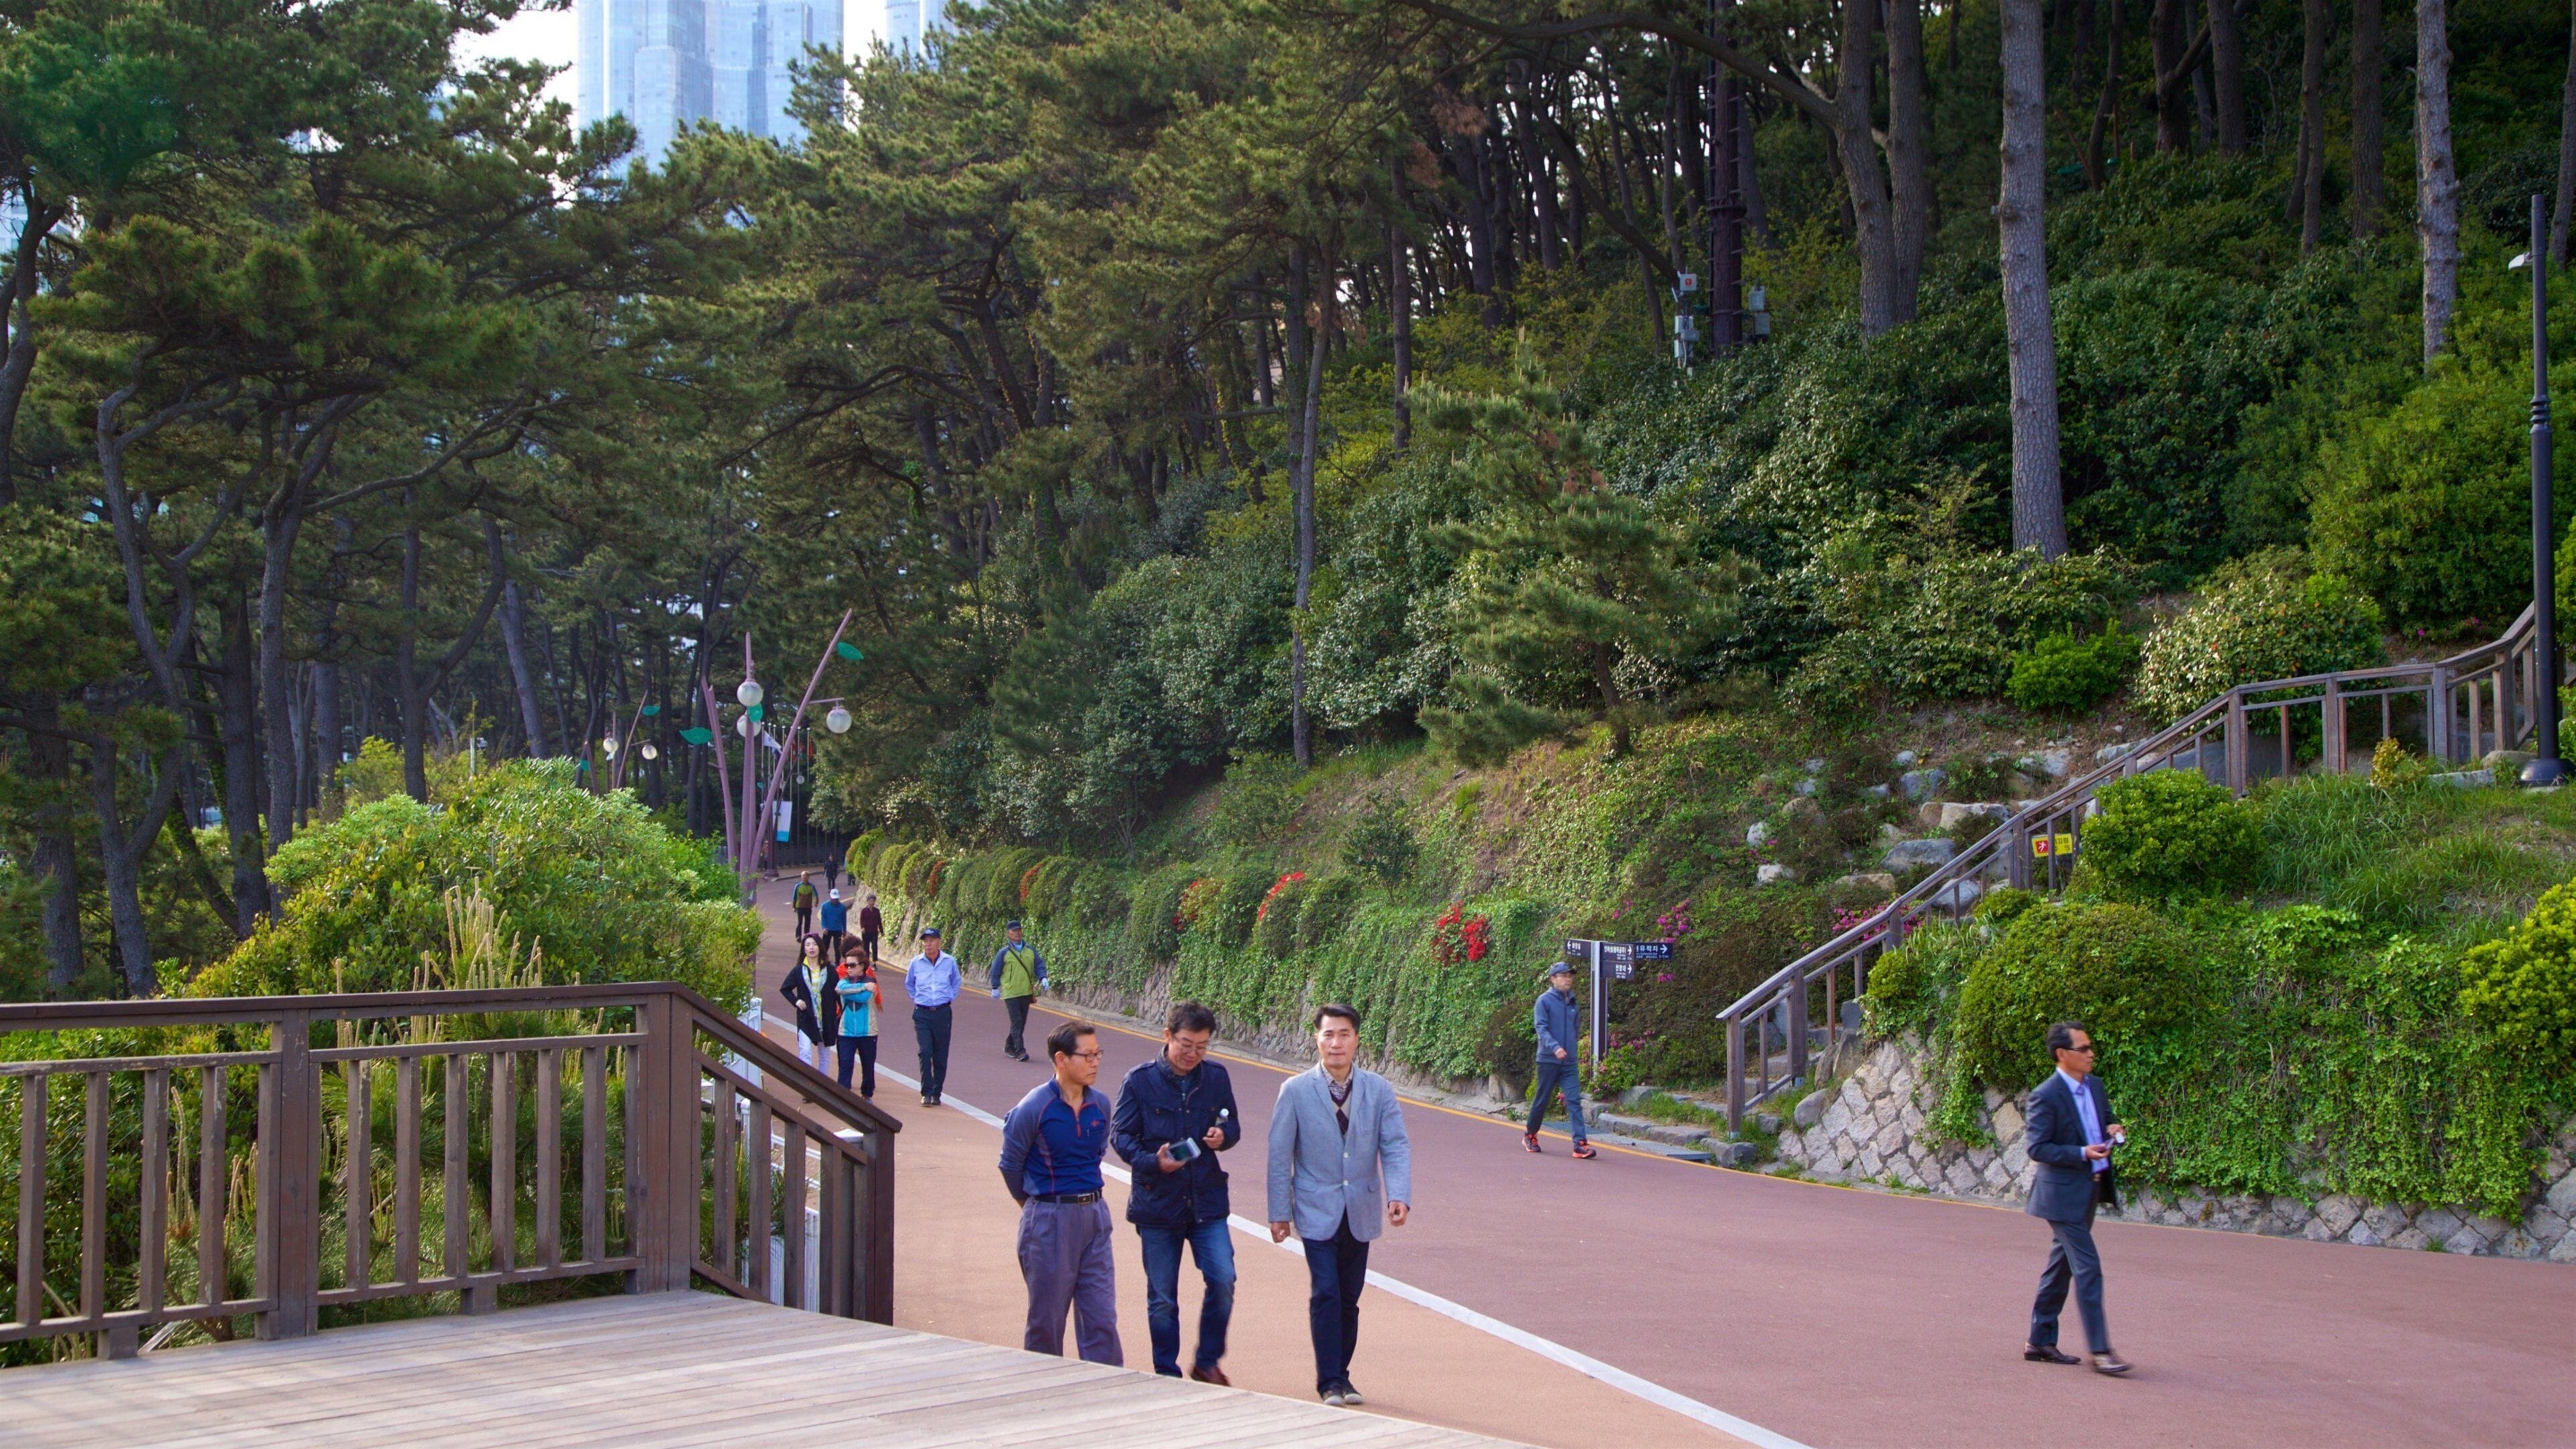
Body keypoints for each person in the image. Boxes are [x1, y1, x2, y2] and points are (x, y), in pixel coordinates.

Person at [1268, 1003, 1411, 1408]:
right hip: (1315, 1208)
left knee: (1349, 1298)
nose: (1336, 1043)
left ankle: (1343, 1376)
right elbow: (1279, 1155)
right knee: (1326, 1293)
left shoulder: (1378, 1090)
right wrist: (1279, 1212)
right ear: (1316, 1039)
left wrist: (1398, 1195)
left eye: (1344, 1034)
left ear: (1356, 1040)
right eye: (1328, 1034)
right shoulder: (1295, 1091)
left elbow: (1395, 1145)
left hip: (1360, 1208)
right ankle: (1329, 1381)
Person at [1112, 1002, 1240, 1384]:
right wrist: (1154, 1162)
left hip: (1206, 1202)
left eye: (1202, 1046)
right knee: (1163, 1298)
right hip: (1158, 1204)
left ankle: (1207, 1361)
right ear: (1167, 1036)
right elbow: (1121, 1136)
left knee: (1223, 1279)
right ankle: (1166, 1373)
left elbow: (1231, 1124)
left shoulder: (1216, 1077)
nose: (1193, 1054)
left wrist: (1223, 1136)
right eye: (1186, 1044)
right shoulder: (1139, 1081)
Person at [998, 1022, 1121, 1365]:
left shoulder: (1101, 1105)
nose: (1095, 1062)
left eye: (1098, 1054)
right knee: (1047, 1322)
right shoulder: (1033, 1108)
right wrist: (1035, 1208)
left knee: (1101, 1317)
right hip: (1049, 1219)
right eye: (1087, 1055)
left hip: (1095, 1217)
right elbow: (1010, 1165)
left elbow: (1096, 1155)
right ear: (1061, 1059)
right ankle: (1044, 1385)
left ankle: (1105, 1385)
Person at [2023, 1020, 2133, 1377]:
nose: (2091, 1054)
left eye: (2090, 1047)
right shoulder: (2046, 1095)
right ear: (2062, 1054)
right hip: (2060, 1197)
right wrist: (2082, 1153)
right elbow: (2038, 1148)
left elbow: (2105, 1120)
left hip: (2090, 1190)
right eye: (2083, 1049)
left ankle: (2039, 1340)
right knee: (2088, 1267)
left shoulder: (2095, 1086)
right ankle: (2101, 1352)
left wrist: (2113, 1128)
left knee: (2061, 1268)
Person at [1527, 960, 1597, 1159]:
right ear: (1553, 979)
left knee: (1574, 1100)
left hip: (1569, 1062)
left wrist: (1571, 1049)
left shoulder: (1573, 1002)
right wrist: (1555, 1047)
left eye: (1570, 976)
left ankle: (1580, 1144)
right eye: (1563, 976)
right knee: (1542, 1100)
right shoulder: (1544, 1001)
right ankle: (1530, 1135)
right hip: (1548, 1060)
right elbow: (1541, 1029)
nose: (1568, 979)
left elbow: (1576, 1029)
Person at [904, 925, 961, 1106]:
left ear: (939, 942)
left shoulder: (949, 961)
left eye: (932, 941)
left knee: (940, 1054)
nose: (928, 944)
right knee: (925, 1051)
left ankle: (937, 1092)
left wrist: (949, 997)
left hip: (943, 1013)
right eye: (925, 941)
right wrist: (919, 999)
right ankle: (926, 1092)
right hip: (922, 1012)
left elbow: (956, 982)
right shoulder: (916, 963)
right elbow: (909, 984)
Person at [988, 920, 1051, 1063]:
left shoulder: (1030, 950)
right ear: (1008, 933)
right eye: (1014, 931)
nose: (1017, 933)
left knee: (1021, 1022)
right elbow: (996, 970)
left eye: (1019, 930)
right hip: (1011, 992)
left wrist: (1043, 977)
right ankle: (1020, 1051)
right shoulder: (1004, 953)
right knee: (1017, 1021)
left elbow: (1039, 965)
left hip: (1026, 991)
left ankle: (1009, 1046)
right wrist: (995, 987)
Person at [781, 934, 831, 1071]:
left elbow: (836, 991)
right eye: (808, 945)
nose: (811, 948)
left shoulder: (829, 970)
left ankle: (822, 1082)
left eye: (814, 944)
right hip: (806, 1017)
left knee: (825, 1056)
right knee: (805, 1052)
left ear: (820, 947)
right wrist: (796, 1001)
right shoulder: (799, 970)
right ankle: (806, 1082)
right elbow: (785, 989)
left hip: (825, 1018)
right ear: (804, 949)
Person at [833, 955, 881, 1097]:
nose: (849, 968)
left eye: (852, 965)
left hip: (867, 1032)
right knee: (845, 1064)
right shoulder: (844, 982)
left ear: (862, 966)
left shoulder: (871, 981)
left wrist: (849, 992)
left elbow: (864, 998)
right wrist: (863, 987)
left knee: (868, 1065)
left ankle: (867, 1095)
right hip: (846, 1032)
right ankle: (842, 1095)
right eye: (847, 965)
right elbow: (839, 989)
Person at [818, 888, 851, 964]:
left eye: (836, 899)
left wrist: (844, 930)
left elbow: (844, 920)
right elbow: (823, 918)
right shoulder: (825, 906)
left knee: (837, 947)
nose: (835, 900)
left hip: (838, 930)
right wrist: (824, 928)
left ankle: (837, 962)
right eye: (833, 899)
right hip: (827, 930)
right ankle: (823, 960)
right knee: (825, 946)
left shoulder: (842, 907)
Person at [857, 892, 883, 967]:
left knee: (874, 946)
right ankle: (867, 962)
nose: (871, 903)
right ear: (867, 901)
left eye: (873, 901)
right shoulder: (864, 911)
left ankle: (874, 963)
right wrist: (862, 927)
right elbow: (862, 920)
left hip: (874, 932)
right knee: (866, 947)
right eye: (870, 901)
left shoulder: (877, 911)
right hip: (866, 932)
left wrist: (882, 931)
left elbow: (879, 921)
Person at [791, 871, 818, 938]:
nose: (804, 877)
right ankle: (798, 936)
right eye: (803, 876)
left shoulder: (811, 886)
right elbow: (794, 897)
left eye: (806, 876)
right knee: (800, 922)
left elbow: (815, 895)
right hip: (799, 907)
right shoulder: (798, 886)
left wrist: (816, 902)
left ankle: (806, 935)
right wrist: (793, 907)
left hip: (808, 907)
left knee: (807, 922)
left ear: (808, 877)